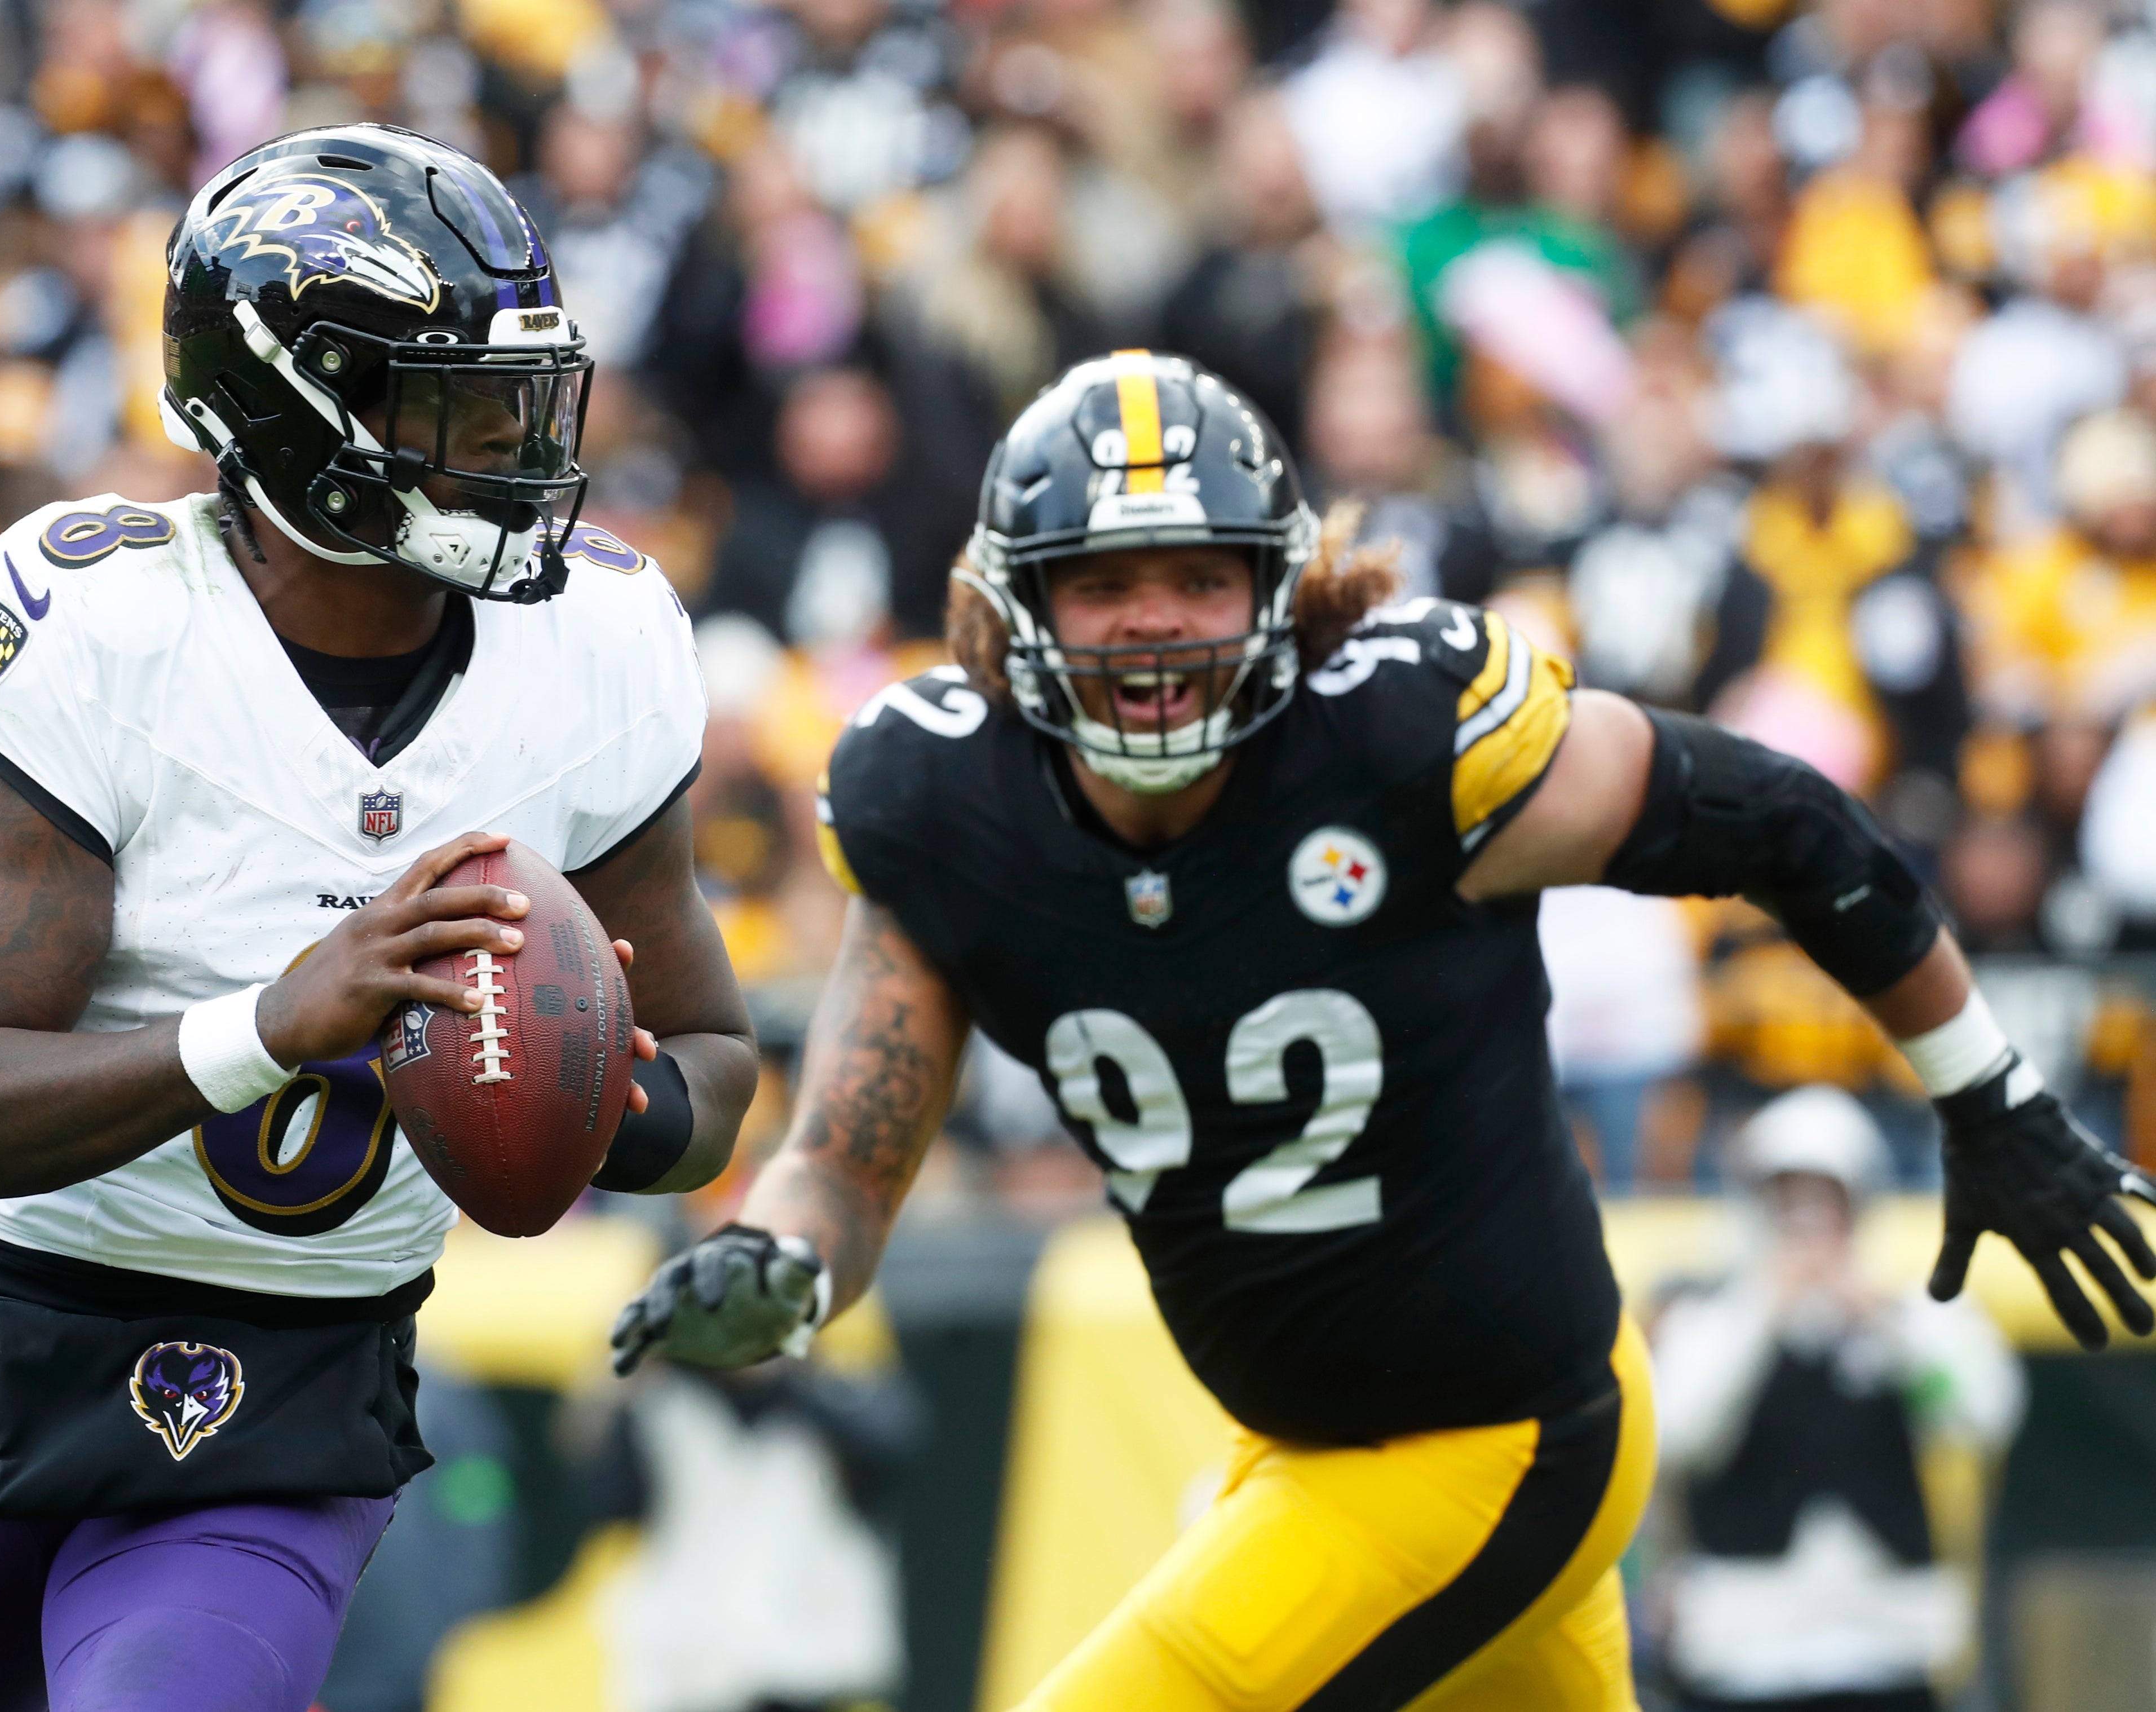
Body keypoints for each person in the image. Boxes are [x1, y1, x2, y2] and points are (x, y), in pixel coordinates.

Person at [611, 349, 2156, 1711]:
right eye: (1104, 581)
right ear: (1017, 610)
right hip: (1293, 1447)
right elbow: (853, 1154)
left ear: (1277, 589)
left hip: (1511, 1434)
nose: (1155, 625)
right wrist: (794, 1263)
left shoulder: (1402, 742)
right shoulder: (940, 806)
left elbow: (1780, 816)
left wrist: (1992, 1096)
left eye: (1201, 576)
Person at [0, 124, 757, 1712]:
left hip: (301, 1384)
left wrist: (594, 1102)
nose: (516, 440)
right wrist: (268, 1030)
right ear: (292, 403)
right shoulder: (110, 625)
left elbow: (715, 1066)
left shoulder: (600, 648)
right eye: (452, 399)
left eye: (524, 392)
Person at [1651, 1087, 2023, 1712]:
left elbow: (1985, 1415)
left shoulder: (1916, 1314)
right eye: (1788, 1199)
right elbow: (1679, 1433)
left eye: (1827, 1200)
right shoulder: (1710, 1320)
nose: (1808, 1221)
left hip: (1890, 1646)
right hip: (1744, 1651)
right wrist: (1765, 1308)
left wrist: (1889, 1325)